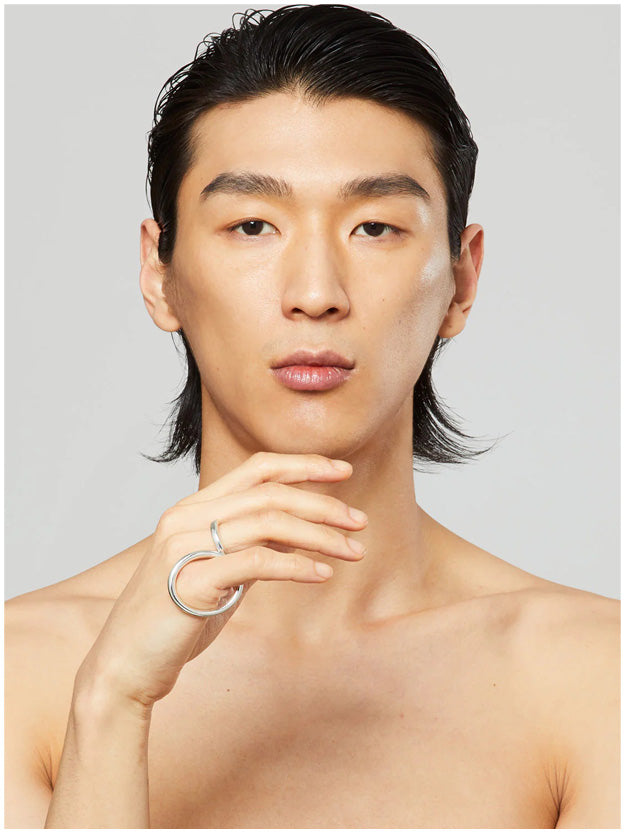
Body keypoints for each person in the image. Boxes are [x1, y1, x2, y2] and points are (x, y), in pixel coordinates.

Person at [5, 4, 619, 828]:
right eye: (252, 225)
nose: (315, 292)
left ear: (461, 278)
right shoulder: (22, 670)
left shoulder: (594, 675)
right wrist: (111, 699)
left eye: (375, 227)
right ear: (159, 273)